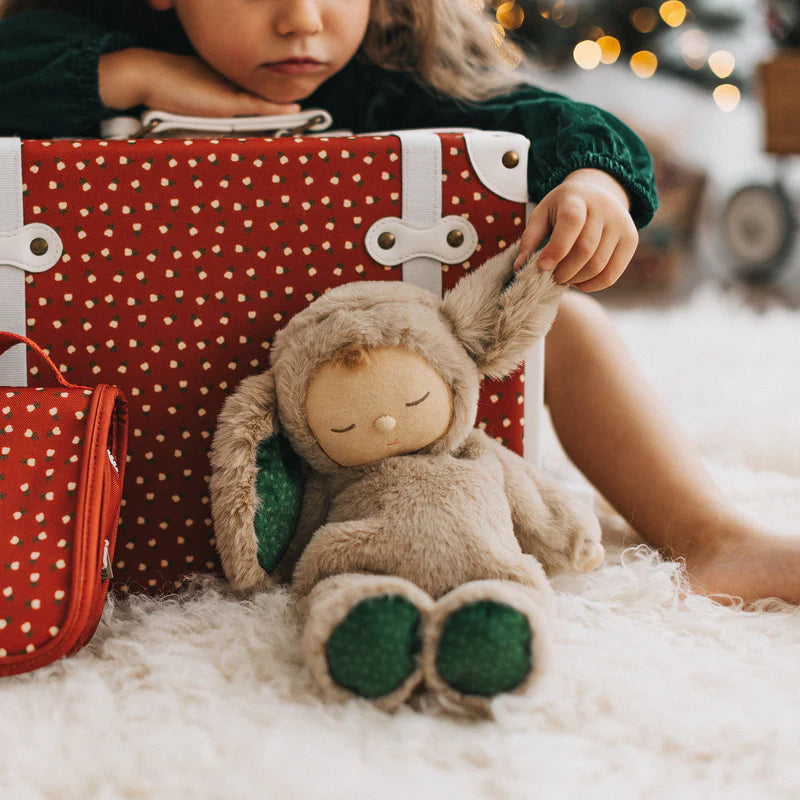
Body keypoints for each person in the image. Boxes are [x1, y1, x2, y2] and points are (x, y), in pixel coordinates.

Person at [2, 0, 798, 606]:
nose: (301, 22)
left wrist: (593, 182)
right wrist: (133, 76)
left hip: (371, 454)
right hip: (132, 431)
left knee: (573, 320)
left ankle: (710, 536)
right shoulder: (76, 49)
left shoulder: (384, 90)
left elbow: (567, 123)